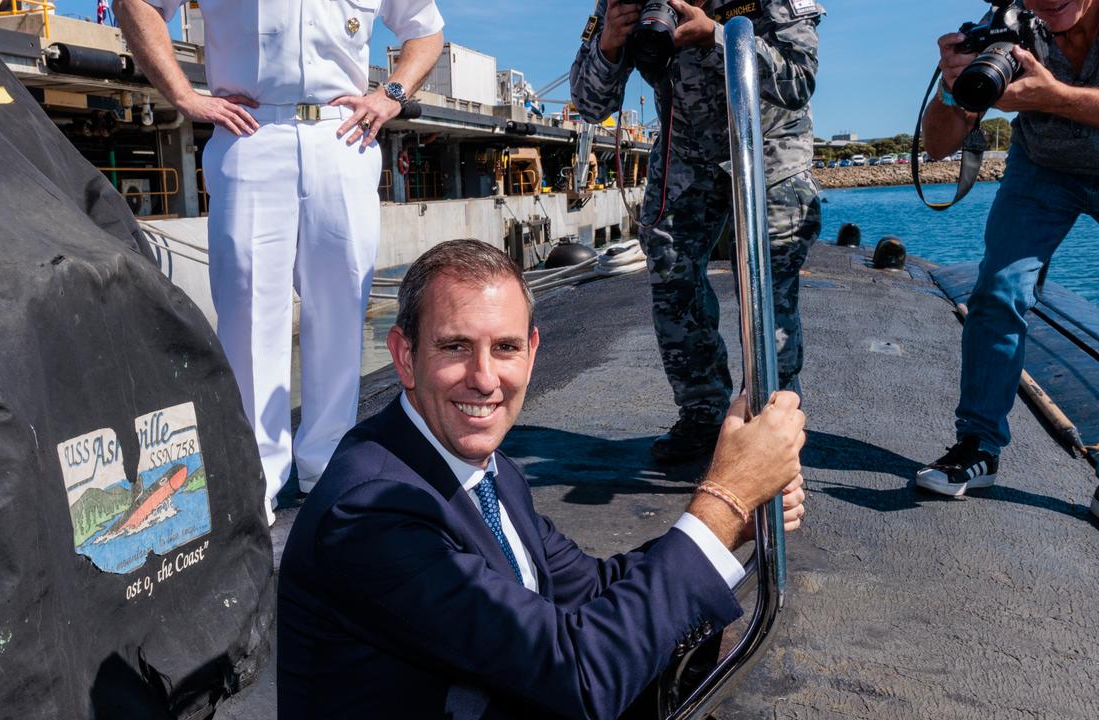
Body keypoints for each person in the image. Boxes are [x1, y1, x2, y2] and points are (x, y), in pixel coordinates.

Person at [277, 239, 808, 719]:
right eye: (455, 347)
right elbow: (579, 677)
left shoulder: (489, 472)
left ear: (532, 354)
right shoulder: (370, 511)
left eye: (504, 348)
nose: (484, 379)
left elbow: (592, 589)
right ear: (404, 356)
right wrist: (724, 501)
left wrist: (733, 524)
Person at [115, 0, 445, 524]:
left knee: (340, 314)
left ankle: (328, 470)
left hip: (344, 136)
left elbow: (425, 31)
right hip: (251, 132)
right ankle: (256, 480)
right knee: (248, 316)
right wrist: (181, 96)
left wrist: (392, 95)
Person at [570, 0, 823, 464]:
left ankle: (774, 419)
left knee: (768, 286)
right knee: (672, 277)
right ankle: (703, 415)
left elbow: (799, 80)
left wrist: (719, 38)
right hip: (686, 154)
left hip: (769, 153)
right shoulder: (624, 3)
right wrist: (608, 45)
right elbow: (589, 106)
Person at [916, 0, 1099, 518]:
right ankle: (978, 447)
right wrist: (955, 90)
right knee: (998, 290)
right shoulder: (1012, 32)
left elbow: (1057, 97)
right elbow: (936, 146)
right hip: (1042, 169)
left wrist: (1056, 97)